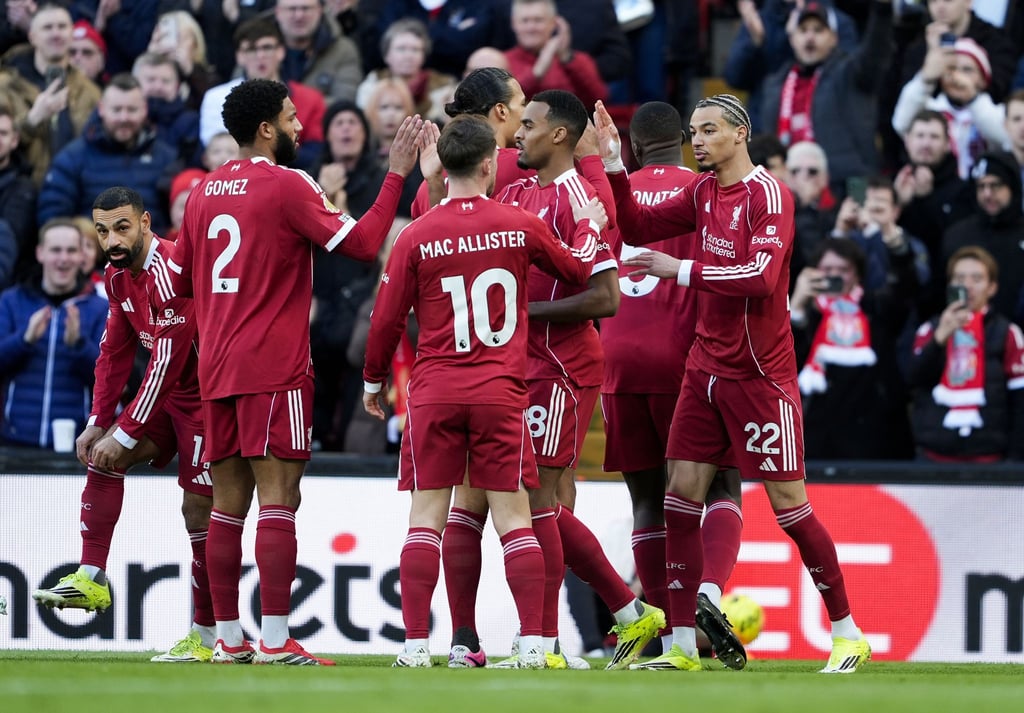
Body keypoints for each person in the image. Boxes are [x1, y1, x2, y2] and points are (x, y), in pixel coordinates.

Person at [595, 93, 871, 673]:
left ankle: (847, 632)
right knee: (679, 501)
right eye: (693, 131)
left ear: (741, 133)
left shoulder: (771, 195)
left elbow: (761, 277)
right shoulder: (700, 192)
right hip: (704, 369)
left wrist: (683, 270)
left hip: (761, 376)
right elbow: (639, 223)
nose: (698, 141)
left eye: (710, 130)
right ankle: (677, 649)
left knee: (791, 509)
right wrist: (617, 169)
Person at [167, 78, 423, 665]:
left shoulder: (203, 193)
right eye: (289, 117)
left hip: (218, 368)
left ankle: (230, 639)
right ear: (266, 129)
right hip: (274, 368)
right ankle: (277, 639)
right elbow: (362, 245)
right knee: (280, 499)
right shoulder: (287, 184)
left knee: (227, 504)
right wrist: (395, 172)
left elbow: (179, 280)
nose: (300, 126)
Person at [363, 114, 607, 668]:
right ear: (485, 165)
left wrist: (373, 380)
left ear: (443, 169)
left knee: (427, 517)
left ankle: (416, 645)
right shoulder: (518, 222)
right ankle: (535, 645)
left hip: (435, 391)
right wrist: (590, 225)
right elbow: (575, 270)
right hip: (501, 391)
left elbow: (385, 320)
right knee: (515, 520)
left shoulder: (416, 233)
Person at [477, 89, 663, 672]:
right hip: (516, 366)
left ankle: (548, 641)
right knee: (544, 504)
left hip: (561, 367)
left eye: (527, 124)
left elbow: (605, 298)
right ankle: (619, 616)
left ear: (558, 134)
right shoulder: (513, 192)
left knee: (537, 500)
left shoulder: (584, 198)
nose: (516, 134)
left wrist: (520, 316)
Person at [31, 187, 216, 663]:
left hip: (208, 404)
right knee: (102, 456)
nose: (111, 239)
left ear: (146, 222)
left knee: (199, 517)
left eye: (121, 227)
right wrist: (98, 421)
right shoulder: (116, 277)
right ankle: (90, 580)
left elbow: (170, 360)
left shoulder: (173, 270)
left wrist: (127, 429)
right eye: (102, 230)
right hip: (169, 396)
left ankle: (207, 638)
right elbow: (114, 351)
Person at [600, 100, 747, 668]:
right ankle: (708, 592)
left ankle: (665, 636)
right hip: (685, 357)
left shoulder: (613, 193)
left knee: (646, 503)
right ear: (685, 143)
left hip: (618, 359)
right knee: (720, 489)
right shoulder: (704, 192)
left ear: (634, 147)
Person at [790, 237, 917, 459]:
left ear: (857, 276)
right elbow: (785, 363)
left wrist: (897, 246)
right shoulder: (807, 316)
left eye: (843, 269)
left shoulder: (875, 308)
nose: (834, 275)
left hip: (873, 435)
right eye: (827, 268)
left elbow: (904, 289)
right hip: (819, 437)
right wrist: (798, 306)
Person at [760, 0, 894, 199]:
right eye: (803, 30)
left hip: (846, 187)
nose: (810, 37)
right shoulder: (774, 84)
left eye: (818, 30)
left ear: (833, 38)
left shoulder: (851, 73)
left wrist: (882, 11)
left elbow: (876, 54)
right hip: (787, 190)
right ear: (792, 39)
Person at [907, 245, 1024, 461]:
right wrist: (938, 340)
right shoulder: (930, 330)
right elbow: (913, 379)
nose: (967, 286)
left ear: (992, 288)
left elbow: (1020, 402)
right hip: (934, 456)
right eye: (959, 279)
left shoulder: (1008, 333)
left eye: (976, 279)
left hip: (988, 458)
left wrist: (1015, 460)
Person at [0, 218, 107, 447]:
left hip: (75, 445)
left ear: (82, 257)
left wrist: (79, 345)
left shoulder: (99, 308)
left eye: (71, 251)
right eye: (55, 250)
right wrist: (24, 340)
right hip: (14, 442)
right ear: (40, 253)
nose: (63, 259)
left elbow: (110, 381)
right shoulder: (11, 301)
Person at [37, 73, 179, 233]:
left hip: (153, 252)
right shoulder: (72, 157)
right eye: (117, 109)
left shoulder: (166, 157)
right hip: (94, 253)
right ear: (101, 109)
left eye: (132, 110)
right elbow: (53, 217)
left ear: (144, 110)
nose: (124, 117)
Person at [199, 17, 325, 172]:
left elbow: (316, 154)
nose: (260, 56)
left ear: (280, 51)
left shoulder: (310, 98)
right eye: (251, 49)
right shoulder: (216, 97)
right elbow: (216, 153)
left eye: (267, 47)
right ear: (239, 56)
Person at [0, 2, 100, 185]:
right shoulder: (5, 86)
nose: (56, 34)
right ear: (32, 36)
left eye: (62, 27)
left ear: (71, 34)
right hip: (18, 190)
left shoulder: (90, 92)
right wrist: (31, 120)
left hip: (72, 191)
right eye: (47, 28)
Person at [892, 36, 1008, 179]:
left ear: (983, 79)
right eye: (951, 68)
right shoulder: (930, 108)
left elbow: (1006, 139)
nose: (957, 76)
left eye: (967, 70)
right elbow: (900, 124)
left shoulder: (995, 112)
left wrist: (973, 99)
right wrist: (925, 79)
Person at [942, 151, 1024, 325]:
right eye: (981, 186)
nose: (987, 194)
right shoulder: (956, 235)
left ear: (1012, 187)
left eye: (996, 185)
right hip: (965, 339)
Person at [503, 0, 608, 111]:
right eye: (525, 21)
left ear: (553, 23)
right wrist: (537, 72)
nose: (531, 27)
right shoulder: (503, 62)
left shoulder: (576, 60)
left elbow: (599, 100)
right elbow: (507, 104)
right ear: (513, 23)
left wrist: (566, 58)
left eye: (538, 20)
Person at [355, 18, 456, 123]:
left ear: (423, 56)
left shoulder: (444, 90)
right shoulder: (371, 86)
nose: (408, 56)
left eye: (415, 49)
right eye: (401, 49)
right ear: (386, 55)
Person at [274, 0, 362, 103]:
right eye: (292, 9)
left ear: (320, 11)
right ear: (278, 12)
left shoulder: (343, 50)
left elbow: (344, 102)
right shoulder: (258, 49)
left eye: (306, 8)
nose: (299, 16)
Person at [69, 19, 106, 85]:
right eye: (72, 52)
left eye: (87, 52)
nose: (78, 58)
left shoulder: (112, 93)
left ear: (101, 62)